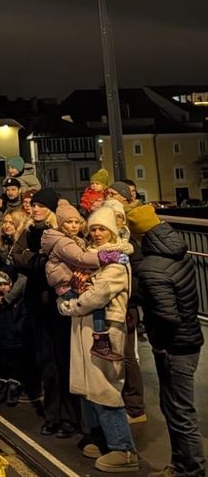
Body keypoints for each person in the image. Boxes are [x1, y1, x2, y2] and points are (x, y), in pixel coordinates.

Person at [58, 207, 139, 473]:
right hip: (87, 326)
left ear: (113, 231)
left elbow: (97, 295)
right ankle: (100, 437)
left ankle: (123, 449)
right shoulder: (95, 258)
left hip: (103, 329)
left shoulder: (117, 262)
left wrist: (70, 305)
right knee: (88, 385)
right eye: (93, 229)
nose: (97, 233)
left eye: (102, 228)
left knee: (104, 385)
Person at [126, 204, 205, 477]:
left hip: (173, 347)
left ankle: (192, 470)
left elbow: (167, 315)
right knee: (176, 409)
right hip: (192, 338)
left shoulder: (151, 267)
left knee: (180, 413)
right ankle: (181, 466)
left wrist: (156, 341)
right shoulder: (179, 249)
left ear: (138, 235)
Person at [13, 187, 82, 438]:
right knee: (47, 363)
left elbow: (68, 260)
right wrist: (37, 261)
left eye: (41, 205)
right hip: (38, 303)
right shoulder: (30, 231)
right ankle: (53, 416)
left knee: (64, 360)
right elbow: (16, 257)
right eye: (34, 205)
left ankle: (70, 417)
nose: (35, 209)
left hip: (59, 303)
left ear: (51, 209)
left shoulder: (58, 232)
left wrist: (36, 261)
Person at [40, 200, 128, 361]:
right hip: (68, 291)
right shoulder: (65, 243)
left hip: (102, 316)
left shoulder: (77, 242)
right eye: (93, 229)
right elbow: (81, 259)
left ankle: (99, 342)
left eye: (77, 222)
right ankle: (99, 342)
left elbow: (95, 292)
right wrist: (105, 257)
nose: (74, 226)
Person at [0, 265, 29, 407]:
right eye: (0, 285)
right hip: (3, 341)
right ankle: (2, 389)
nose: (3, 288)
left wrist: (18, 331)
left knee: (16, 366)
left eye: (5, 284)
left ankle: (13, 390)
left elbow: (23, 319)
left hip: (17, 340)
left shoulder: (18, 302)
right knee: (3, 365)